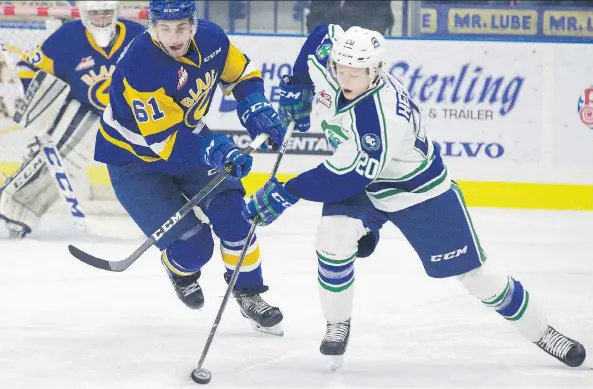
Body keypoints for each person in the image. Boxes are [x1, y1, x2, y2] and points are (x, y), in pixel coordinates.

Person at [243, 24, 587, 366]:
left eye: (357, 73)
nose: (346, 80)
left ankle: (544, 332)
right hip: (364, 182)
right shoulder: (334, 67)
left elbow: (345, 177)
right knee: (331, 241)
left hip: (416, 191)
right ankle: (337, 323)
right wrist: (300, 83)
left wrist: (288, 192)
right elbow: (323, 34)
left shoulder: (380, 116)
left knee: (478, 276)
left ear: (376, 71)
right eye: (341, 70)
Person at [94, 1, 286, 335]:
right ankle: (179, 269)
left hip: (190, 142)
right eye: (164, 28)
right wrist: (214, 149)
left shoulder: (212, 40)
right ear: (152, 25)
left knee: (235, 217)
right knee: (194, 249)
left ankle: (249, 292)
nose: (173, 37)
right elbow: (163, 141)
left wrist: (254, 103)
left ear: (194, 24)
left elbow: (241, 74)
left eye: (181, 27)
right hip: (135, 161)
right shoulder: (141, 64)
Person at [0, 1, 145, 238]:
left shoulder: (137, 36)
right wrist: (34, 100)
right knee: (61, 152)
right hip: (85, 111)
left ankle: (181, 206)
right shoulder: (67, 37)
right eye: (95, 13)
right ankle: (18, 210)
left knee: (159, 154)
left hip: (134, 115)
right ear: (84, 14)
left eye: (106, 13)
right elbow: (28, 66)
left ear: (116, 12)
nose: (101, 19)